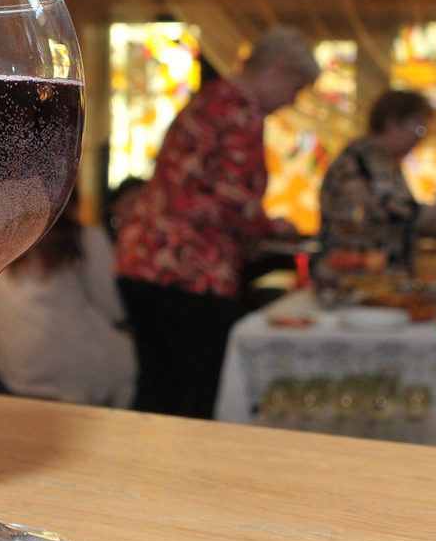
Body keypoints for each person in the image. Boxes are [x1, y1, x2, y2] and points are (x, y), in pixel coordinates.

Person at [115, 28, 322, 419]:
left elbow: (199, 187)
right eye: (295, 88)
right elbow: (235, 202)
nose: (291, 101)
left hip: (142, 259)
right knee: (199, 396)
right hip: (189, 271)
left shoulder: (211, 97)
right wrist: (272, 228)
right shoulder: (241, 110)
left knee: (156, 392)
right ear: (276, 70)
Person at [0, 199, 135, 407]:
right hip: (69, 370)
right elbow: (115, 307)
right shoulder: (81, 237)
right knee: (136, 358)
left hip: (10, 371)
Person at [318, 89, 436, 269]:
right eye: (418, 129)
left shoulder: (387, 161)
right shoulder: (362, 158)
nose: (419, 139)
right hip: (354, 272)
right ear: (391, 123)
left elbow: (399, 221)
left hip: (376, 272)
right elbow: (394, 210)